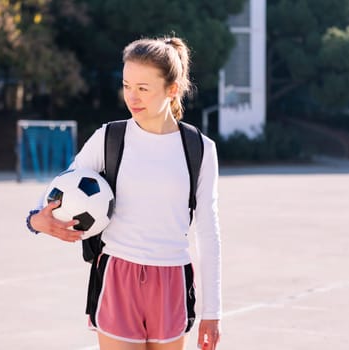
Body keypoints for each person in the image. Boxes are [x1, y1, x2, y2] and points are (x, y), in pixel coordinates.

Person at [26, 36, 222, 350]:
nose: (132, 96)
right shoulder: (110, 138)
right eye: (127, 85)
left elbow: (208, 232)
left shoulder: (199, 149)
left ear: (172, 89)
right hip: (118, 274)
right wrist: (37, 220)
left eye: (143, 88)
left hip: (172, 280)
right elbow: (61, 187)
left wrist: (213, 312)